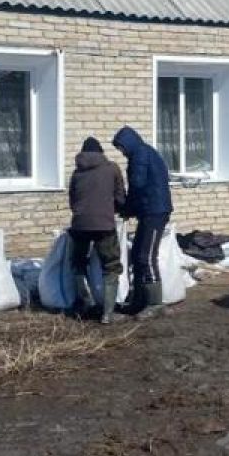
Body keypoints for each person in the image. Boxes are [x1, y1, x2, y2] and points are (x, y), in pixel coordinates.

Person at [111, 126, 173, 319]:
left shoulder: (140, 155)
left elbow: (137, 185)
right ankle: (139, 301)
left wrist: (126, 207)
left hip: (155, 211)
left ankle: (155, 303)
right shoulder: (143, 153)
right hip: (148, 210)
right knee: (138, 254)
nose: (121, 152)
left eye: (121, 148)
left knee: (146, 256)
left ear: (128, 143)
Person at [68, 137, 126, 323]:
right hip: (104, 225)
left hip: (80, 225)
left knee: (78, 263)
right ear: (101, 152)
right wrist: (115, 210)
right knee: (111, 266)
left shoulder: (77, 173)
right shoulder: (112, 169)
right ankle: (108, 314)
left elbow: (72, 201)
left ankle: (86, 304)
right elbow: (120, 197)